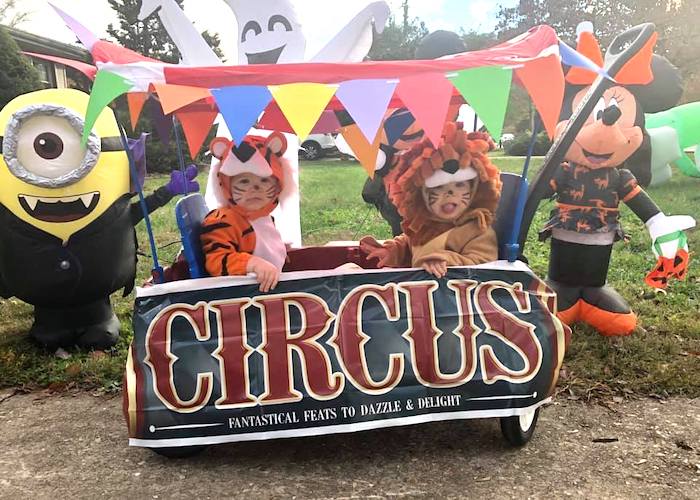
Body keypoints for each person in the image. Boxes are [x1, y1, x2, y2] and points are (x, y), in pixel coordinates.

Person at [361, 123, 501, 277]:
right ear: (421, 196)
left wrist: (444, 261)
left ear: (475, 191)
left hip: (451, 295)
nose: (449, 194)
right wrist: (390, 251)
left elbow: (483, 263)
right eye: (438, 187)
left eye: (460, 185)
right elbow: (408, 244)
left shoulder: (476, 229)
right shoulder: (424, 225)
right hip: (418, 292)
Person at [200, 132, 290, 292]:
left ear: (278, 185)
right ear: (226, 185)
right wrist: (253, 263)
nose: (255, 189)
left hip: (270, 292)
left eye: (264, 180)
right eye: (244, 181)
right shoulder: (223, 220)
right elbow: (216, 260)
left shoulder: (264, 217)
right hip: (244, 300)